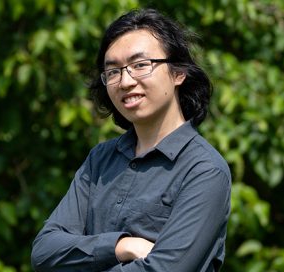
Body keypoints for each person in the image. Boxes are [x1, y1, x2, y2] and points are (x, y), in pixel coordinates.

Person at [31, 8, 231, 272]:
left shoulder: (204, 170)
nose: (125, 81)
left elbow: (164, 270)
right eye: (113, 71)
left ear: (178, 72)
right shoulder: (100, 160)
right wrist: (121, 246)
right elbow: (44, 252)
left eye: (140, 65)